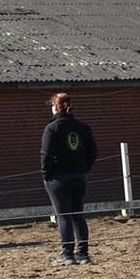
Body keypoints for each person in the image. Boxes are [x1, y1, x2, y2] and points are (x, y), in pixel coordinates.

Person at [41, 92, 97, 266]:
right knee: (78, 214)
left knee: (63, 216)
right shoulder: (83, 127)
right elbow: (93, 152)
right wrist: (83, 169)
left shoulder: (52, 128)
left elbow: (46, 155)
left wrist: (45, 174)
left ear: (55, 107)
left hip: (58, 178)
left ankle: (67, 254)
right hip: (79, 176)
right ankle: (83, 253)